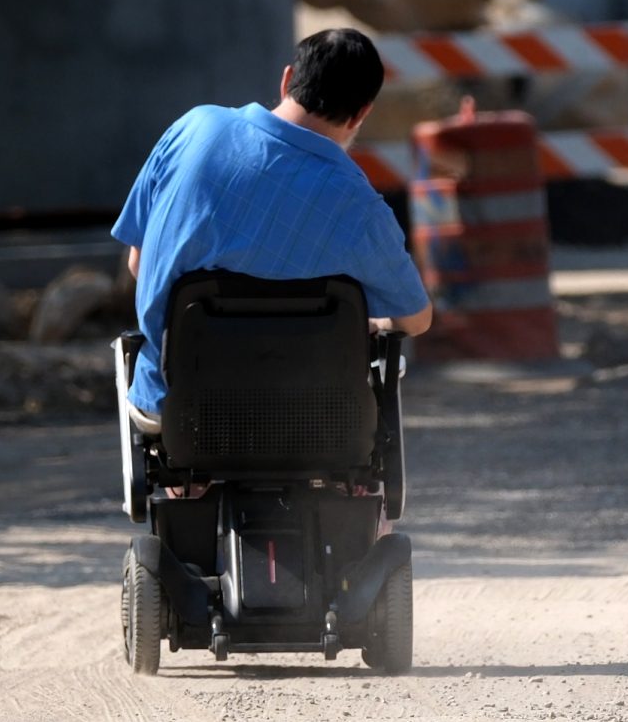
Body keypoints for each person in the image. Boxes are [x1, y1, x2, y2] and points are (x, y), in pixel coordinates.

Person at [114, 27, 433, 425]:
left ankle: (186, 489)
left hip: (179, 405)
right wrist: (375, 322)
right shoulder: (362, 207)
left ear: (287, 81)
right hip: (311, 419)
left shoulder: (192, 128)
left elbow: (137, 265)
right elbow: (417, 319)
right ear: (361, 113)